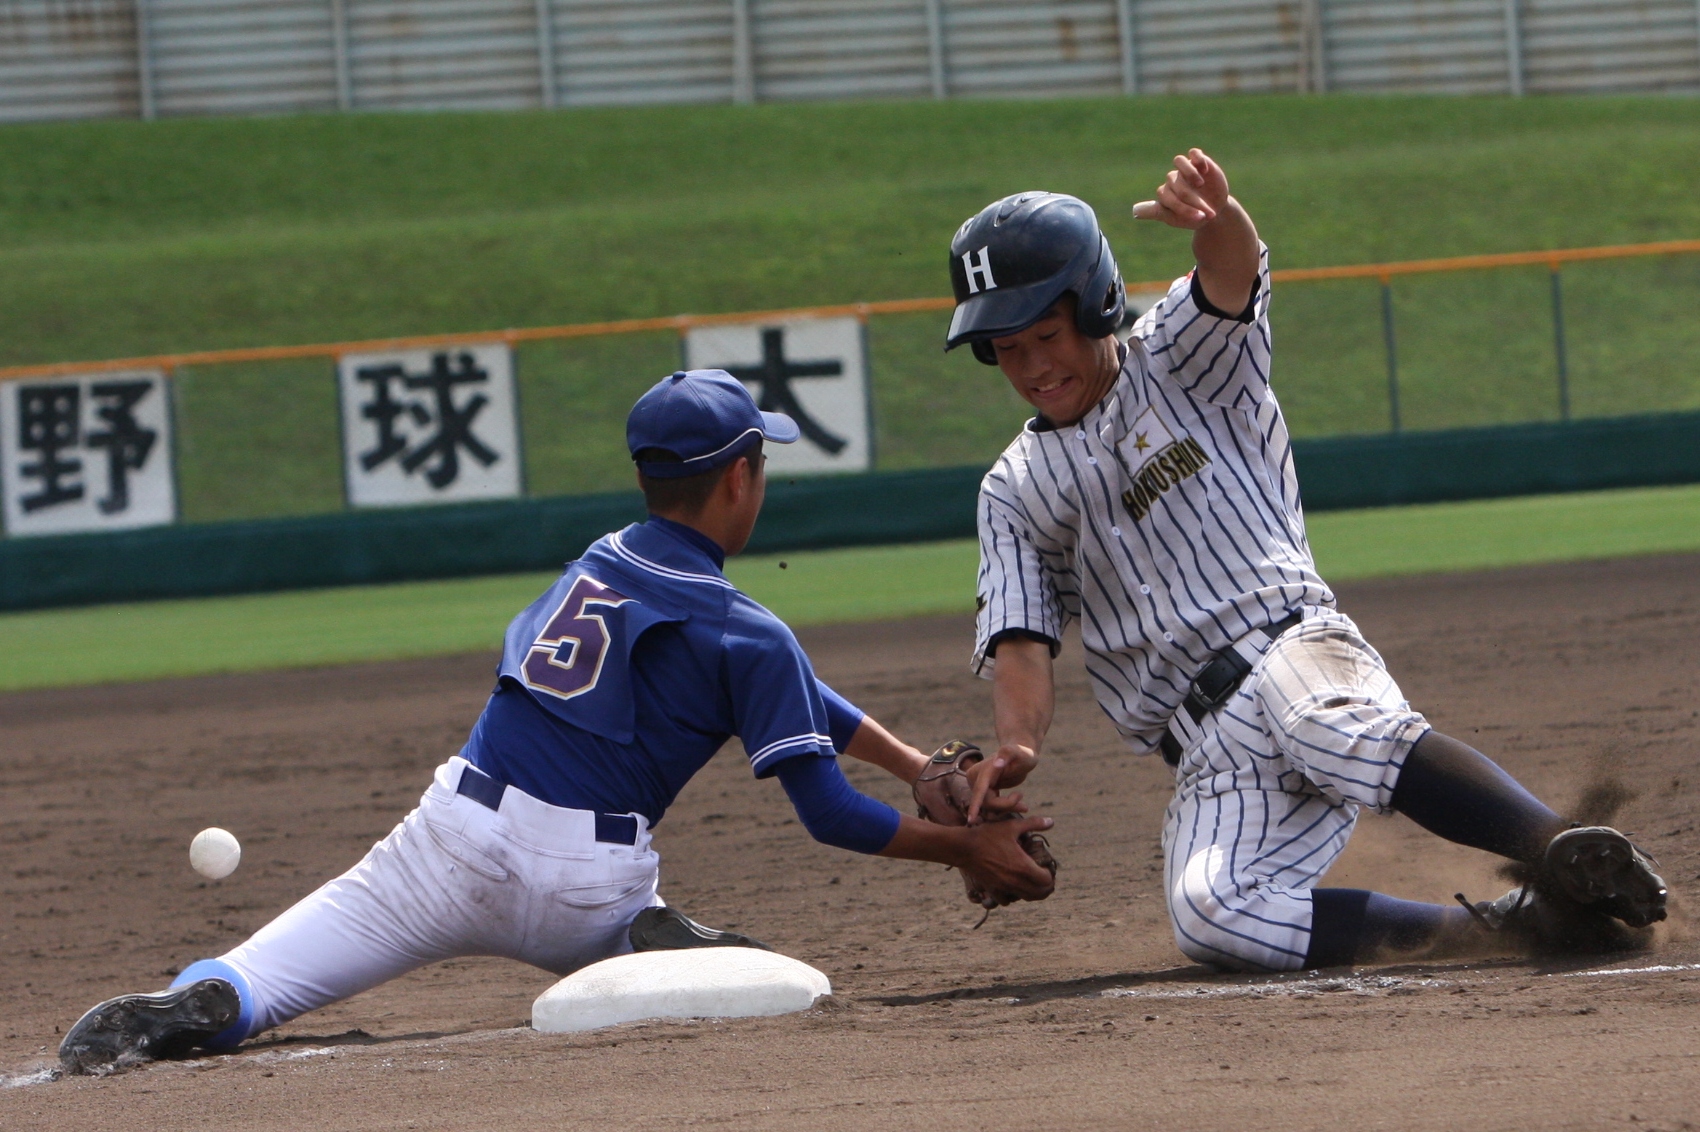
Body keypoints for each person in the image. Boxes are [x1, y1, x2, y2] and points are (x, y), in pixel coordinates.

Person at [59, 369, 1056, 1073]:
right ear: (741, 477)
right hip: (591, 895)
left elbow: (793, 691)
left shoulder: (599, 559)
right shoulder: (746, 630)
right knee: (763, 985)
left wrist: (910, 759)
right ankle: (665, 940)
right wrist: (963, 851)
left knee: (262, 980)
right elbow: (827, 813)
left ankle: (209, 998)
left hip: (447, 846)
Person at [941, 150, 1667, 972]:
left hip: (1293, 650)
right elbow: (1022, 646)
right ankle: (1511, 927)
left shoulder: (1179, 357)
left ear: (1099, 302)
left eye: (1046, 333)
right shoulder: (1012, 489)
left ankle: (1564, 852)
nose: (1033, 365)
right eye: (1005, 349)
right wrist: (1015, 749)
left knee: (1332, 729)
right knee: (1212, 915)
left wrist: (1219, 220)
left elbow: (1231, 273)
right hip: (1208, 751)